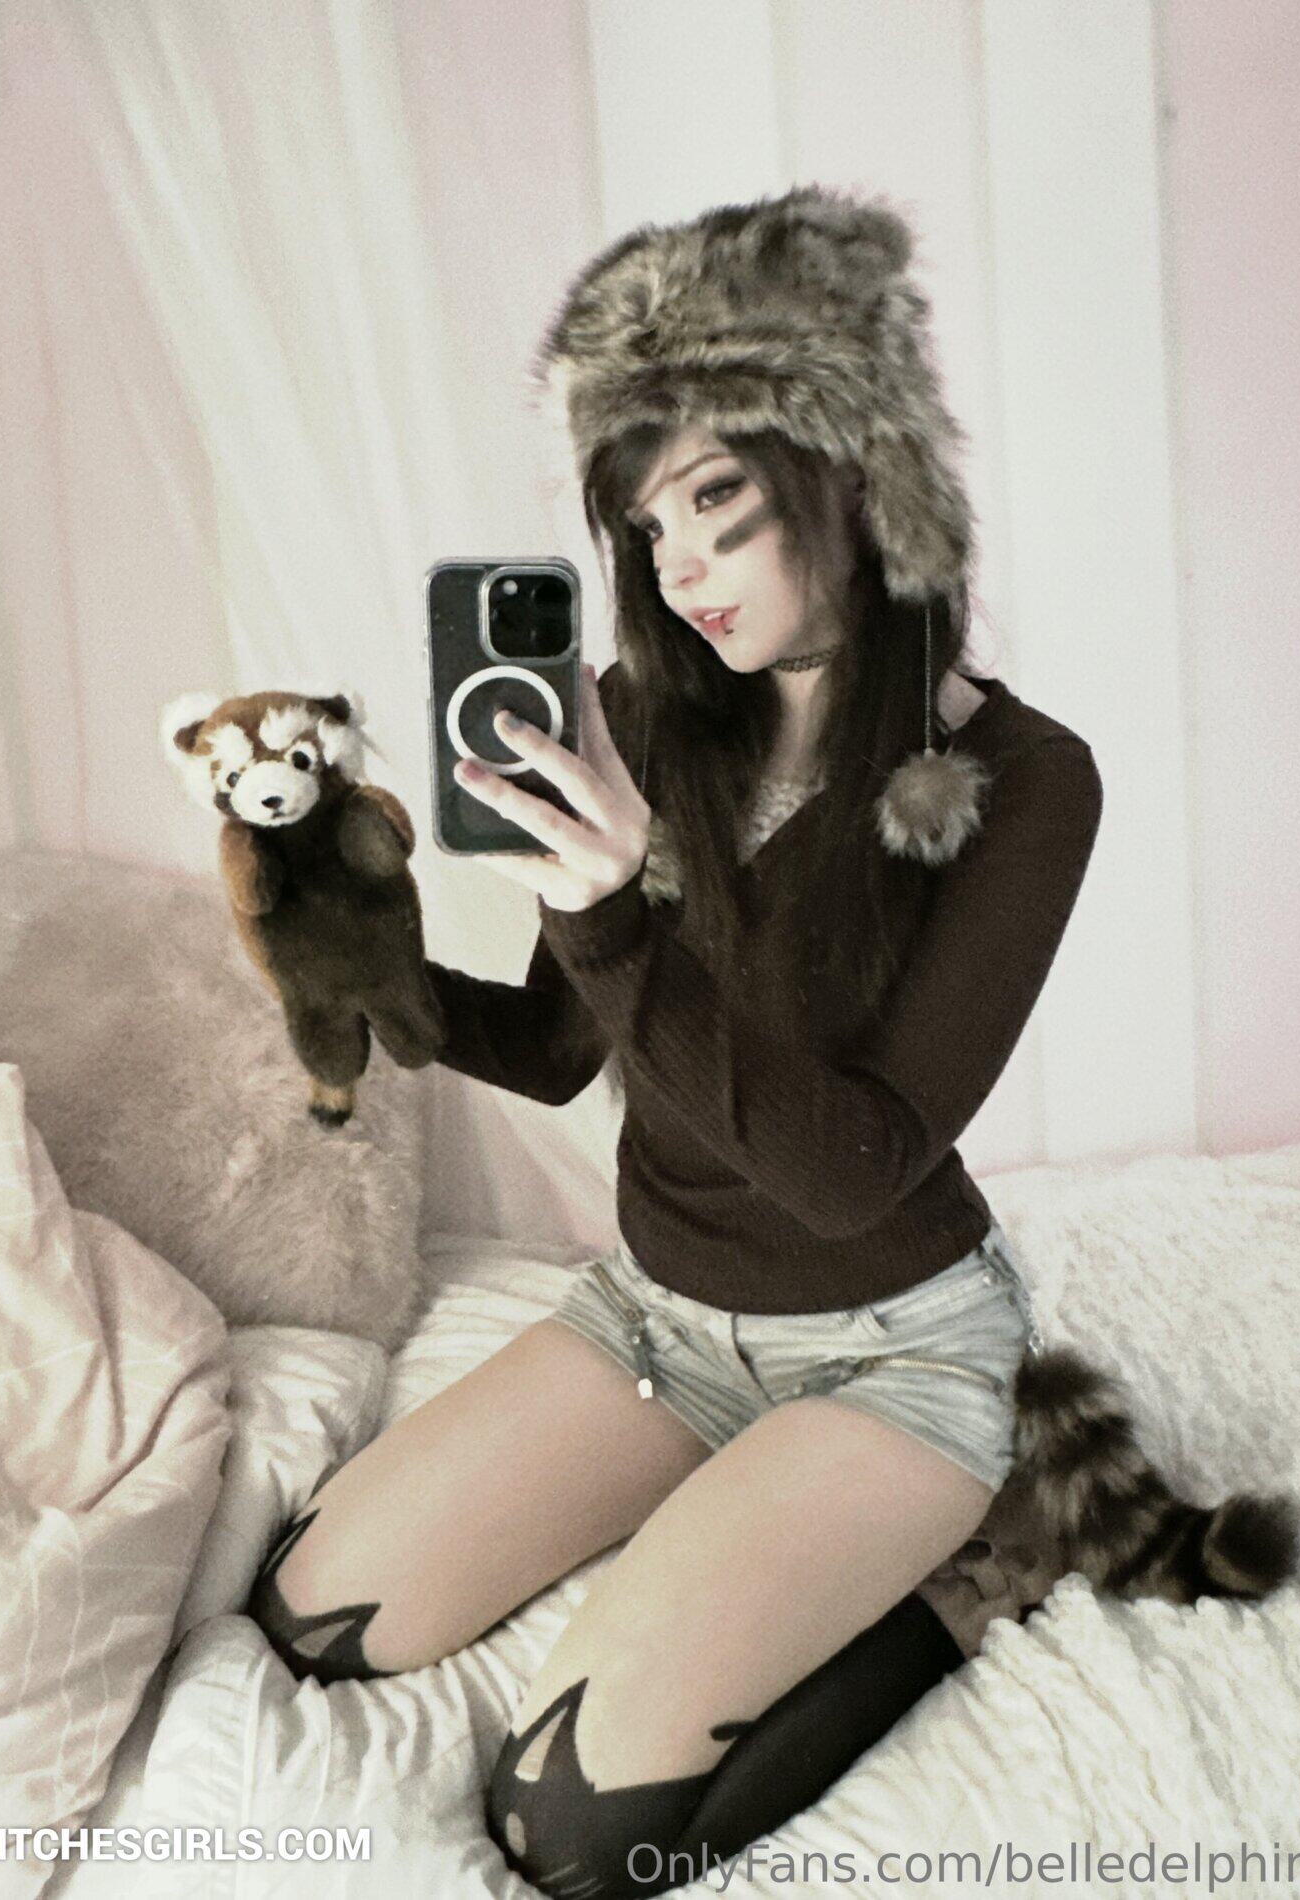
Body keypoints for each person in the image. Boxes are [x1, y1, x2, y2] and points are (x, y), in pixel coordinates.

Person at [247, 185, 1103, 1898]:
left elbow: (852, 1170)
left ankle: (977, 1569)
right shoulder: (649, 722)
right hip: (655, 1318)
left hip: (888, 1348)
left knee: (567, 1831)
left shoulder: (1022, 781)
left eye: (715, 501)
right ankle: (734, 1493)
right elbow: (563, 1047)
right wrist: (367, 974)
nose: (675, 566)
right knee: (314, 1619)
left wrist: (616, 910)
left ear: (854, 474)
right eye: (645, 527)